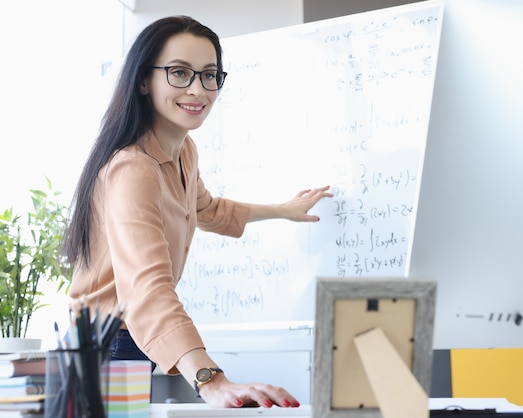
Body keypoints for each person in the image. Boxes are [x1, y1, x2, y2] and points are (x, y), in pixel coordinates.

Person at [62, 15, 332, 409]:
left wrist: (284, 210)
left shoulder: (183, 152)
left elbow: (207, 209)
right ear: (142, 81)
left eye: (209, 75)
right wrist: (211, 380)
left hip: (131, 341)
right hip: (103, 347)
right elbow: (146, 289)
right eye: (179, 73)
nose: (199, 89)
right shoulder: (132, 168)